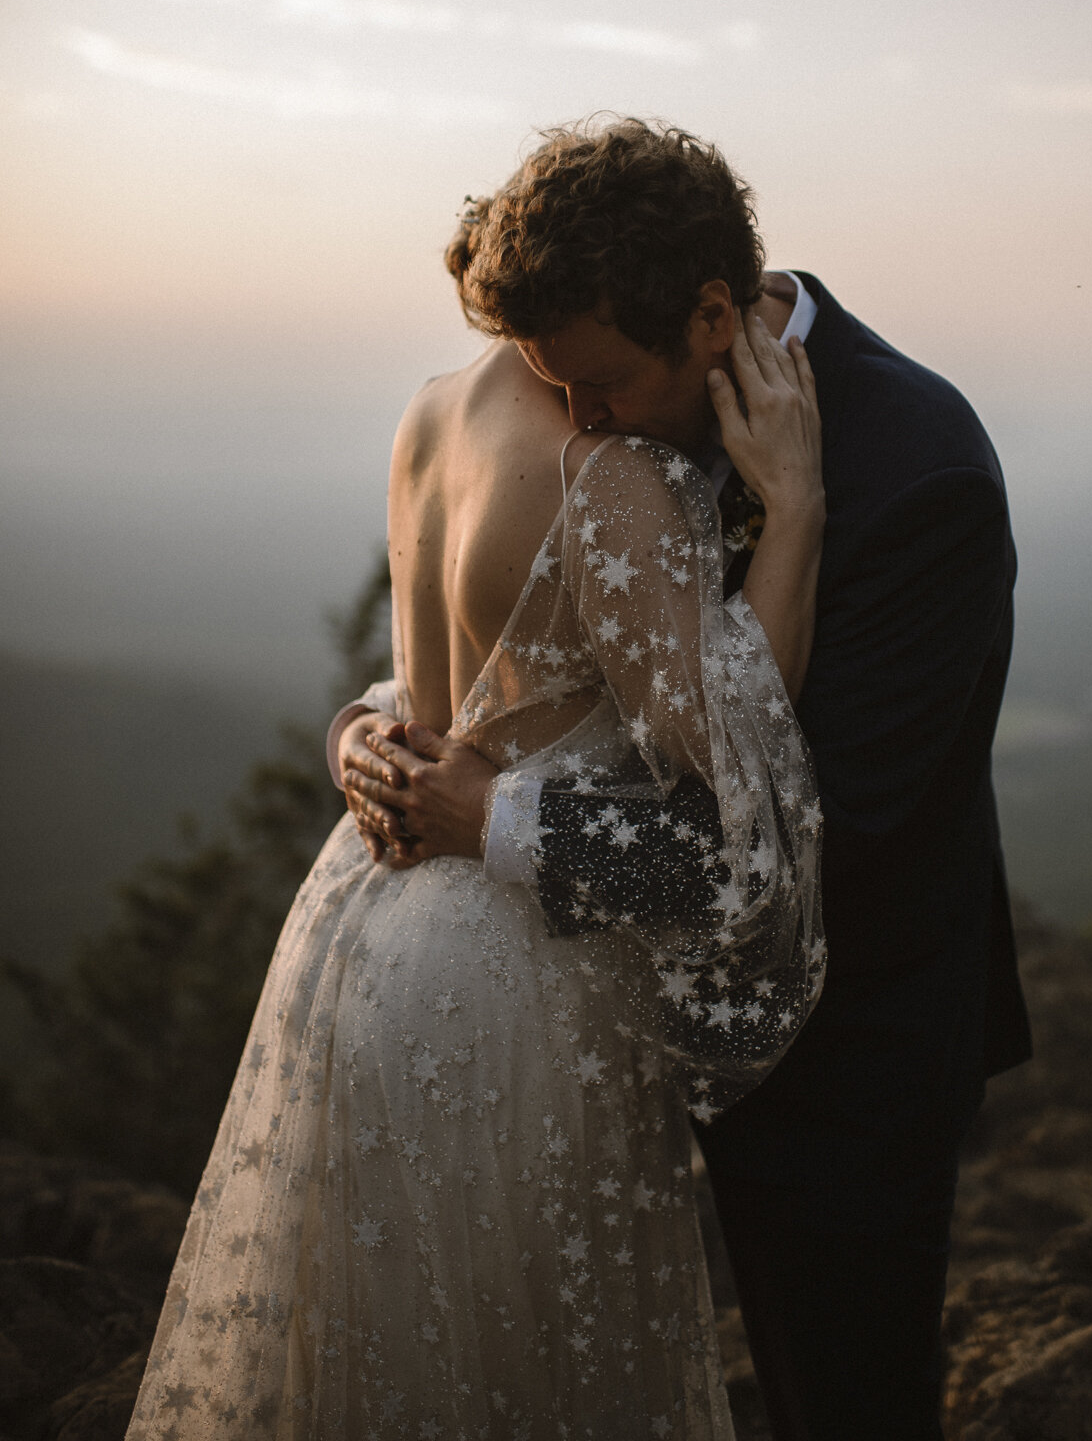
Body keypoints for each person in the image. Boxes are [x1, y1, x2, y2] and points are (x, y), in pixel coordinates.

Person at [126, 129, 828, 1439]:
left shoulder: (432, 408)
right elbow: (731, 789)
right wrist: (795, 514)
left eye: (605, 380)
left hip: (361, 934)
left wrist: (356, 735)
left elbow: (434, 693)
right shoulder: (605, 470)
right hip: (515, 984)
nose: (593, 405)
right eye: (578, 380)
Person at [342, 119, 1032, 1441]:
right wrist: (370, 731)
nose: (574, 425)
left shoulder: (916, 469)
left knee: (843, 1399)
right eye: (552, 385)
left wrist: (485, 816)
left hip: (839, 1054)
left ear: (714, 313)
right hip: (574, 1008)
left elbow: (816, 832)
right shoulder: (585, 387)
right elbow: (520, 658)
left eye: (598, 391)